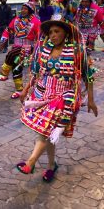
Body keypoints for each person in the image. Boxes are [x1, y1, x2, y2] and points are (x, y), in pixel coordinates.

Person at [17, 14, 98, 182]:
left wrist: (90, 100)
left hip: (64, 98)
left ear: (65, 33)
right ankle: (51, 165)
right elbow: (37, 73)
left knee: (46, 130)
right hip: (43, 94)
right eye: (50, 32)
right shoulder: (45, 49)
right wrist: (25, 89)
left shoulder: (77, 51)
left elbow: (88, 75)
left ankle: (31, 162)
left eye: (57, 31)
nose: (53, 35)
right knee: (48, 133)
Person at [0, 2, 41, 99]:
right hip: (16, 46)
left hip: (28, 48)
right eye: (22, 8)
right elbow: (8, 30)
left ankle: (4, 73)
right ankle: (19, 90)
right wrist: (3, 40)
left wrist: (37, 51)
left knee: (11, 54)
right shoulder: (16, 19)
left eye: (25, 9)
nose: (23, 10)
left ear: (30, 10)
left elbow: (40, 36)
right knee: (16, 68)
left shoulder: (36, 22)